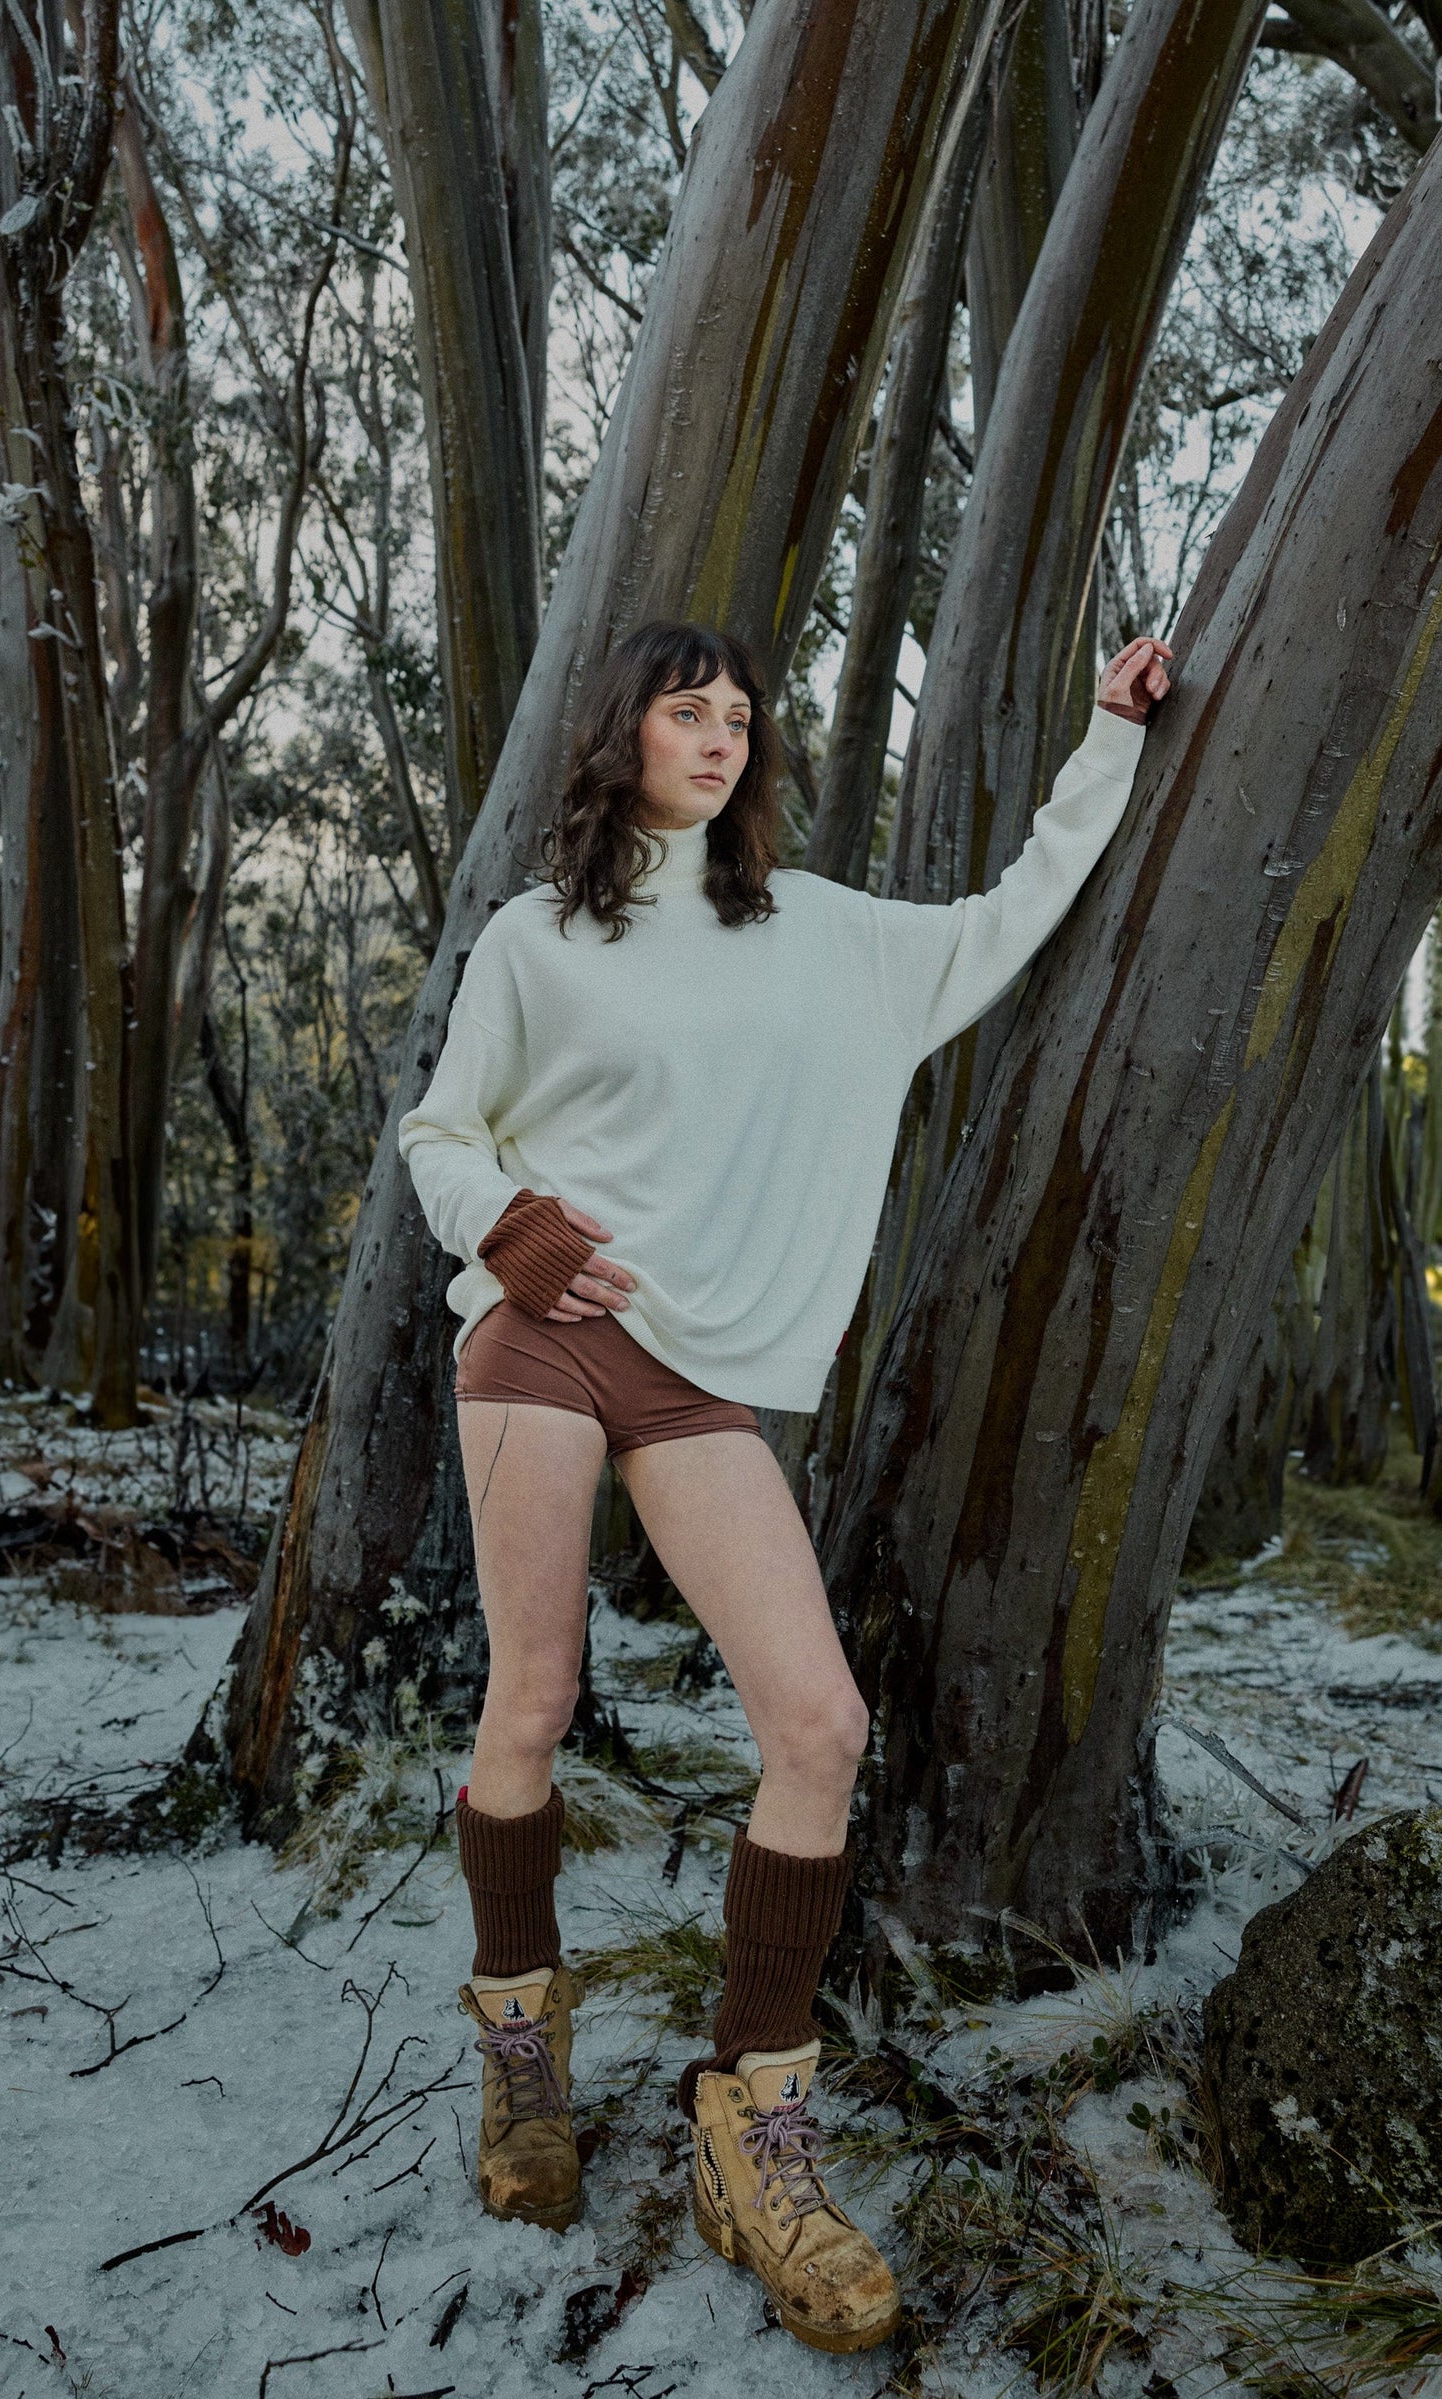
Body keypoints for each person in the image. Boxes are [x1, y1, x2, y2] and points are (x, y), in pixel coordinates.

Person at [397, 617, 1171, 2354]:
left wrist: (1109, 737)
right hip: (541, 1344)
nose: (722, 738)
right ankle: (522, 2054)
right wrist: (506, 1225)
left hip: (698, 1378)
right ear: (625, 732)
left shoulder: (819, 933)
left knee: (818, 1725)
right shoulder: (536, 940)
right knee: (533, 1697)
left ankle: (754, 2125)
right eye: (690, 711)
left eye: (742, 718)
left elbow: (1006, 920)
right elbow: (440, 1132)